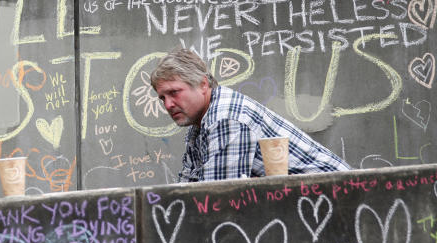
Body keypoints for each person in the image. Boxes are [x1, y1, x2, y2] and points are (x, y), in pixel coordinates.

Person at [150, 48, 350, 182]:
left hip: (342, 200)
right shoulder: (199, 126)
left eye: (174, 92)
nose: (168, 104)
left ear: (203, 85)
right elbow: (186, 188)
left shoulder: (225, 118)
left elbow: (215, 201)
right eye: (162, 98)